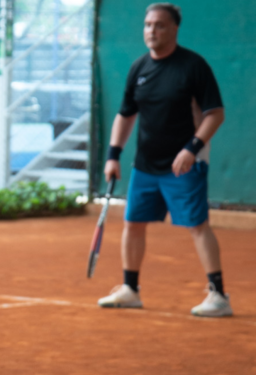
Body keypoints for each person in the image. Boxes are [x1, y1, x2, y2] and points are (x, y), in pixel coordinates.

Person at [97, 3, 230, 317]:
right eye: (147, 25)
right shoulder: (139, 68)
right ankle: (130, 289)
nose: (151, 31)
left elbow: (216, 114)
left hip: (184, 164)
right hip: (145, 165)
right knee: (133, 224)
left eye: (159, 25)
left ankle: (219, 295)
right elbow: (126, 114)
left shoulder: (193, 66)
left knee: (197, 226)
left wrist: (192, 148)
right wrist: (113, 155)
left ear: (174, 29)